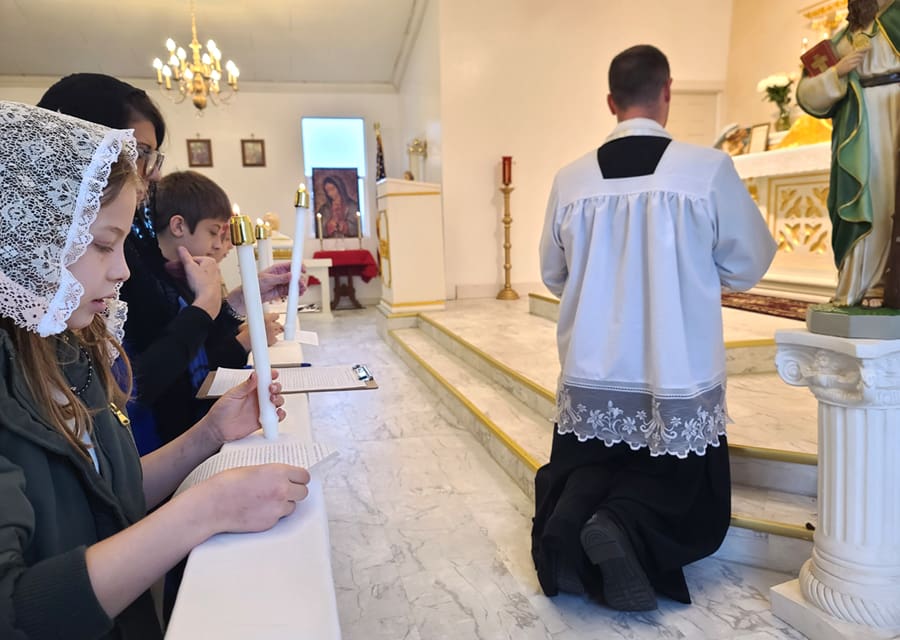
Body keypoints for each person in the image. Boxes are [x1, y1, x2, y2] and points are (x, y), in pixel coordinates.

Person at [0, 100, 310, 639]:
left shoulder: (66, 348)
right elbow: (16, 611)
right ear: (25, 240)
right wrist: (201, 511)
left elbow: (113, 491)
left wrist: (210, 433)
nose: (121, 270)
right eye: (101, 244)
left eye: (121, 244)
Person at [532, 45, 776, 611]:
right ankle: (620, 523)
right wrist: (692, 274)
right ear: (668, 91)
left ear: (611, 101)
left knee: (591, 460)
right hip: (675, 364)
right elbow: (750, 260)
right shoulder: (706, 170)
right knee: (675, 476)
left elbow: (553, 274)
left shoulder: (570, 180)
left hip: (593, 362)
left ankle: (567, 527)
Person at [37, 74, 302, 451]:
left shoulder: (140, 251)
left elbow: (189, 344)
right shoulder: (77, 280)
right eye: (141, 151)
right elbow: (131, 388)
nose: (156, 172)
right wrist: (208, 308)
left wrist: (235, 301)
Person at [125, 171, 283, 451]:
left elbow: (200, 344)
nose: (219, 245)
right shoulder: (147, 284)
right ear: (178, 226)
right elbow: (167, 376)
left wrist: (236, 302)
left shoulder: (175, 276)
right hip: (170, 439)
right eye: (213, 231)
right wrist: (239, 338)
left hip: (195, 425)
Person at [796, 0, 900, 306]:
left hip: (894, 115)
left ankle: (884, 284)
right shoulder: (843, 38)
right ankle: (857, 283)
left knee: (889, 200)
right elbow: (806, 93)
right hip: (860, 126)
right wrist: (836, 73)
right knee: (864, 201)